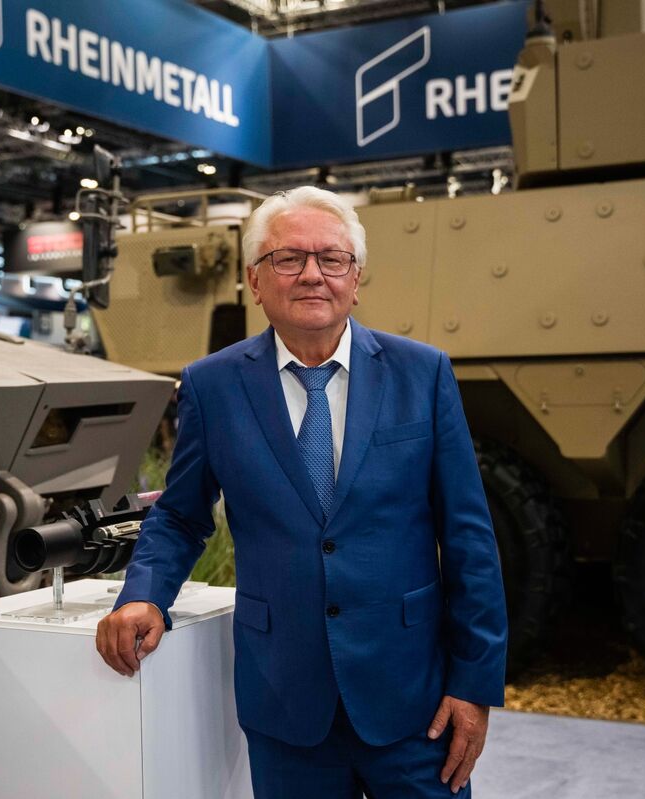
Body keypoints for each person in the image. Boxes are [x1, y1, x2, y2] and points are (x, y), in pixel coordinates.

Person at [96, 186, 508, 797]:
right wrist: (144, 596)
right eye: (288, 258)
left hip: (412, 698)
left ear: (355, 278)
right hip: (285, 701)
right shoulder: (212, 386)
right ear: (254, 280)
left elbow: (469, 535)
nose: (313, 274)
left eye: (332, 258)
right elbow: (181, 516)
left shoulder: (423, 374)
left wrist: (474, 682)